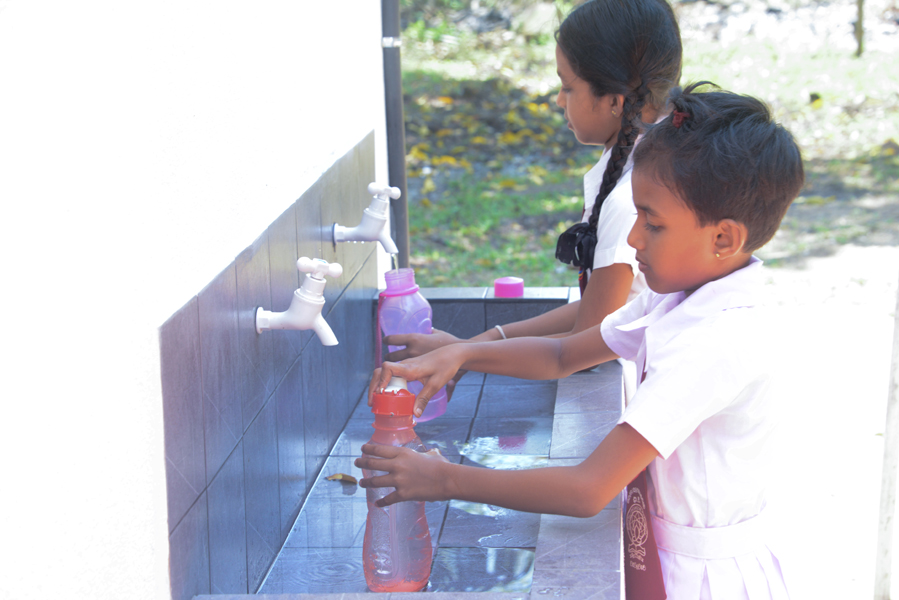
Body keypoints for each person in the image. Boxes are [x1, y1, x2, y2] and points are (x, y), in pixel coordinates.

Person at [357, 83, 805, 599]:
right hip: (666, 554)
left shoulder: (716, 339)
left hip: (705, 580)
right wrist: (462, 352)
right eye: (637, 215)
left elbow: (588, 488)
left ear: (724, 238)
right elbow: (564, 353)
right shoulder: (683, 297)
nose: (634, 239)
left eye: (653, 224)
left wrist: (446, 479)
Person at [384, 0, 683, 399]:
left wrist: (464, 355)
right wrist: (476, 343)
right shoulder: (644, 166)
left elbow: (580, 349)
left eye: (567, 86)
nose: (559, 100)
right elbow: (604, 310)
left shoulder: (630, 197)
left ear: (614, 99)